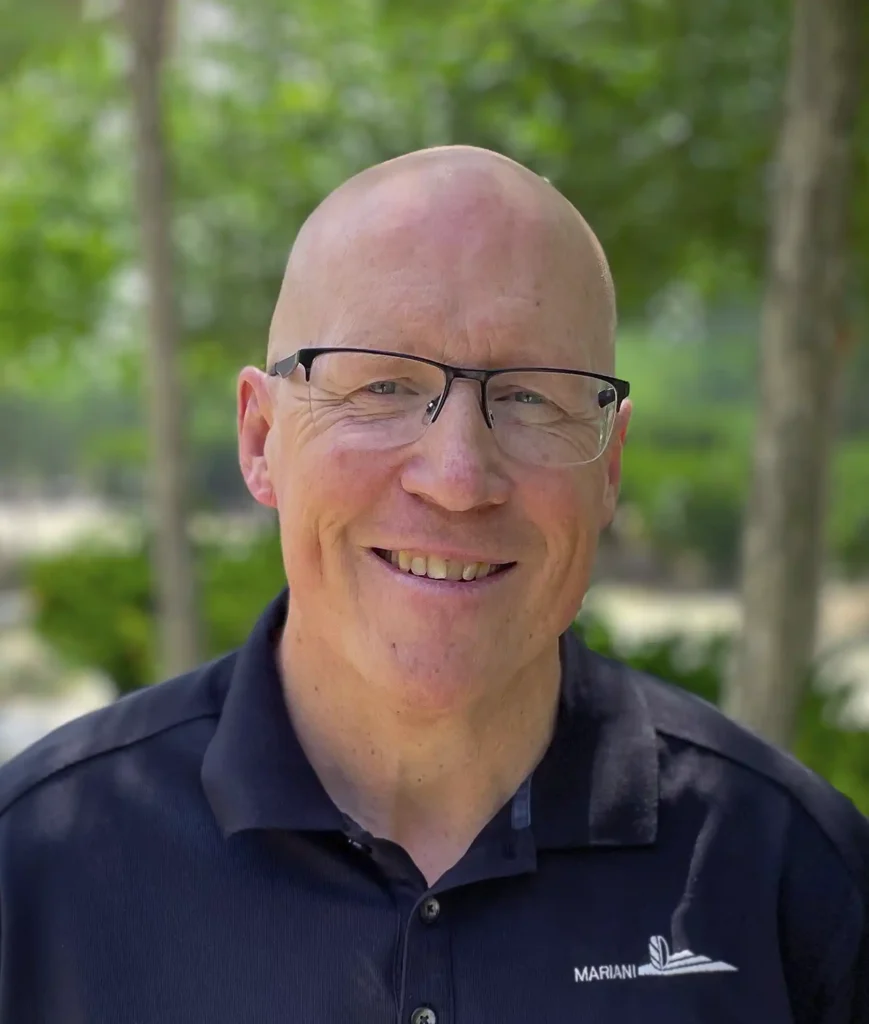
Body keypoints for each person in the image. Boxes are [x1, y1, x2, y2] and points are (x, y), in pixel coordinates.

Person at [0, 146, 866, 1024]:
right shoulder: (35, 869)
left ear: (609, 466)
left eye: (531, 397)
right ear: (261, 439)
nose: (457, 478)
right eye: (383, 384)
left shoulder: (792, 876)